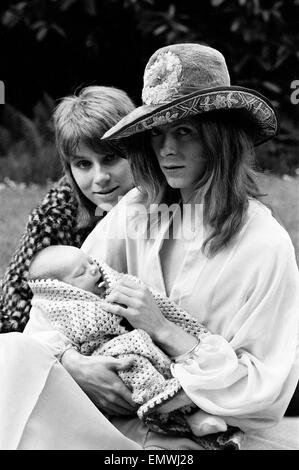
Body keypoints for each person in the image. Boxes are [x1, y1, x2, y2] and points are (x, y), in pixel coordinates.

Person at [0, 43, 298, 451]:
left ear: (221, 137)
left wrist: (162, 327)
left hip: (205, 433)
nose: (166, 149)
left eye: (184, 131)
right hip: (112, 416)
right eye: (156, 133)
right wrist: (75, 365)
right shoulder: (137, 210)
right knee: (10, 353)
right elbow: (54, 307)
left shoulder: (265, 245)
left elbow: (265, 388)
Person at [27, 244, 237, 449]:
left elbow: (162, 307)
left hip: (150, 350)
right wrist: (68, 357)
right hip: (113, 360)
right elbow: (39, 343)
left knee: (166, 369)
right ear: (63, 289)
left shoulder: (120, 285)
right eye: (81, 272)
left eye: (90, 261)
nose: (93, 268)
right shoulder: (57, 310)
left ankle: (192, 414)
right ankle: (179, 414)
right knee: (136, 369)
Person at [0, 85, 135, 333]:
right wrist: (66, 355)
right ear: (69, 169)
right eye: (83, 164)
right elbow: (12, 305)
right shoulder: (58, 211)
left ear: (137, 151)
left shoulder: (165, 200)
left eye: (110, 158)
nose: (100, 177)